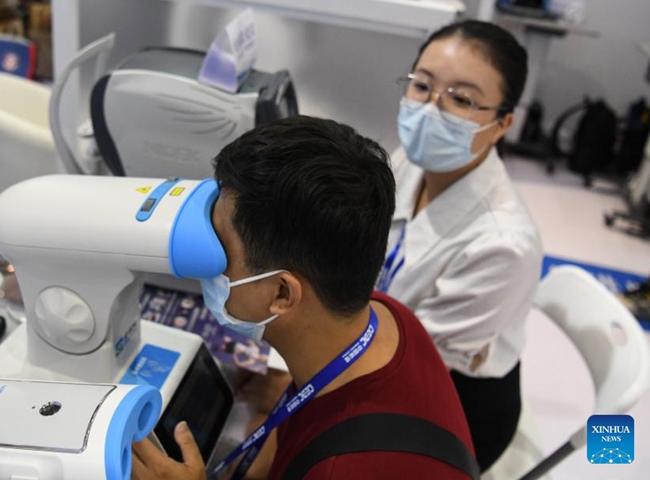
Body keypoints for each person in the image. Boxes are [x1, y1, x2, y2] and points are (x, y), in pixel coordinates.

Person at [132, 116, 475, 479]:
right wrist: (291, 395)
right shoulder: (387, 315)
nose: (209, 265)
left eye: (220, 252)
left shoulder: (340, 470)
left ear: (281, 293)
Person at [375, 20, 543, 471]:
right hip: (385, 344)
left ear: (502, 123)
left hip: (452, 408)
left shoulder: (504, 246)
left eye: (462, 100)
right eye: (423, 86)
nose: (431, 110)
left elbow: (409, 371)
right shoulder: (412, 159)